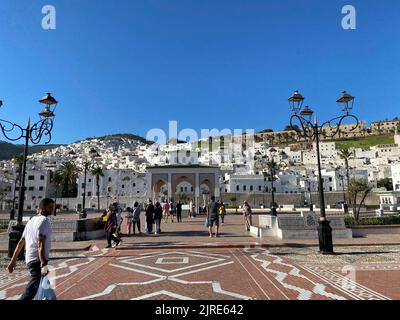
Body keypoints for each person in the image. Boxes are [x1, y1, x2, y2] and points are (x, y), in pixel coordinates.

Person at [7, 198, 54, 300]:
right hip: (37, 261)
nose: (52, 210)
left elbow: (21, 242)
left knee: (44, 287)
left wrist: (13, 260)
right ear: (42, 207)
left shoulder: (31, 221)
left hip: (30, 260)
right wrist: (43, 264)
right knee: (32, 289)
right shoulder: (44, 221)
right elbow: (40, 244)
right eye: (50, 207)